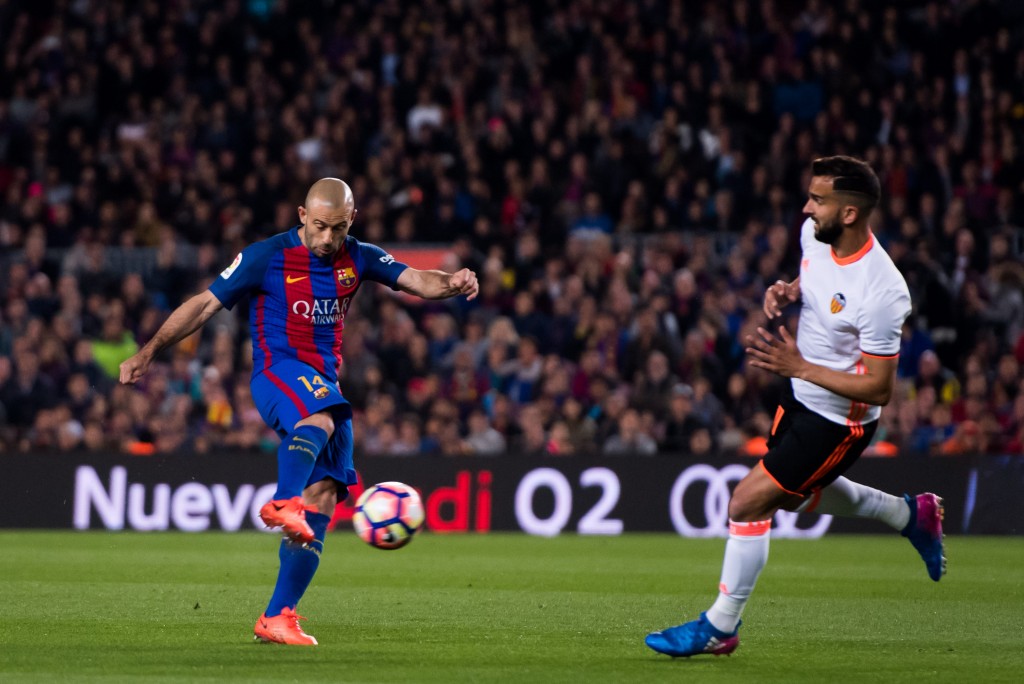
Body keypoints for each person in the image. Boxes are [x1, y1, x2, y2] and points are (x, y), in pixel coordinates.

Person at [120, 178, 478, 646]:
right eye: (321, 226)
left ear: (352, 221)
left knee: (324, 496)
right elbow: (204, 305)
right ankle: (283, 500)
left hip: (324, 383)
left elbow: (415, 279)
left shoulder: (360, 256)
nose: (328, 238)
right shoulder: (266, 256)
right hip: (279, 373)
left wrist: (452, 282)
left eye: (339, 228)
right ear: (303, 215)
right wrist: (148, 352)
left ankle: (277, 616)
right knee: (320, 420)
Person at [645, 156, 945, 658]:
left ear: (849, 213)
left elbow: (878, 388)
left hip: (839, 422)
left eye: (818, 200)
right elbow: (818, 280)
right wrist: (790, 290)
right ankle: (909, 514)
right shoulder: (814, 235)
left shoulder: (883, 291)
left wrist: (801, 367)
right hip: (799, 397)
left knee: (747, 502)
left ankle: (720, 627)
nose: (806, 208)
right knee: (788, 495)